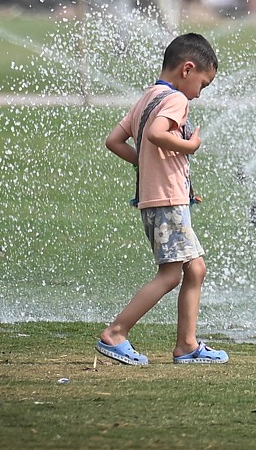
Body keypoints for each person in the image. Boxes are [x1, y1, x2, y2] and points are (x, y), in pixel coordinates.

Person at [96, 33, 229, 365]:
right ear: (187, 69)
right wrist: (190, 146)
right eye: (204, 83)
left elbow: (115, 141)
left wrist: (166, 175)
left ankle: (187, 344)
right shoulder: (176, 100)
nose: (200, 93)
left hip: (162, 197)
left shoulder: (148, 97)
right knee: (171, 275)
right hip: (166, 202)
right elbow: (157, 135)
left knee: (195, 269)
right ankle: (115, 333)